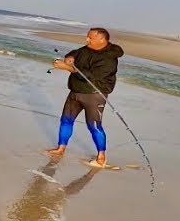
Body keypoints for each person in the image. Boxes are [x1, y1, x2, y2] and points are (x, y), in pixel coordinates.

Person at [46, 26, 125, 167]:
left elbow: (93, 77)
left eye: (90, 37)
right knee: (65, 120)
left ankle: (101, 156)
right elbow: (76, 53)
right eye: (87, 37)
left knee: (93, 126)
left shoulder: (109, 58)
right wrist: (70, 57)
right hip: (75, 92)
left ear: (102, 39)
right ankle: (61, 148)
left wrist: (68, 68)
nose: (86, 39)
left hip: (94, 95)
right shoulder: (86, 49)